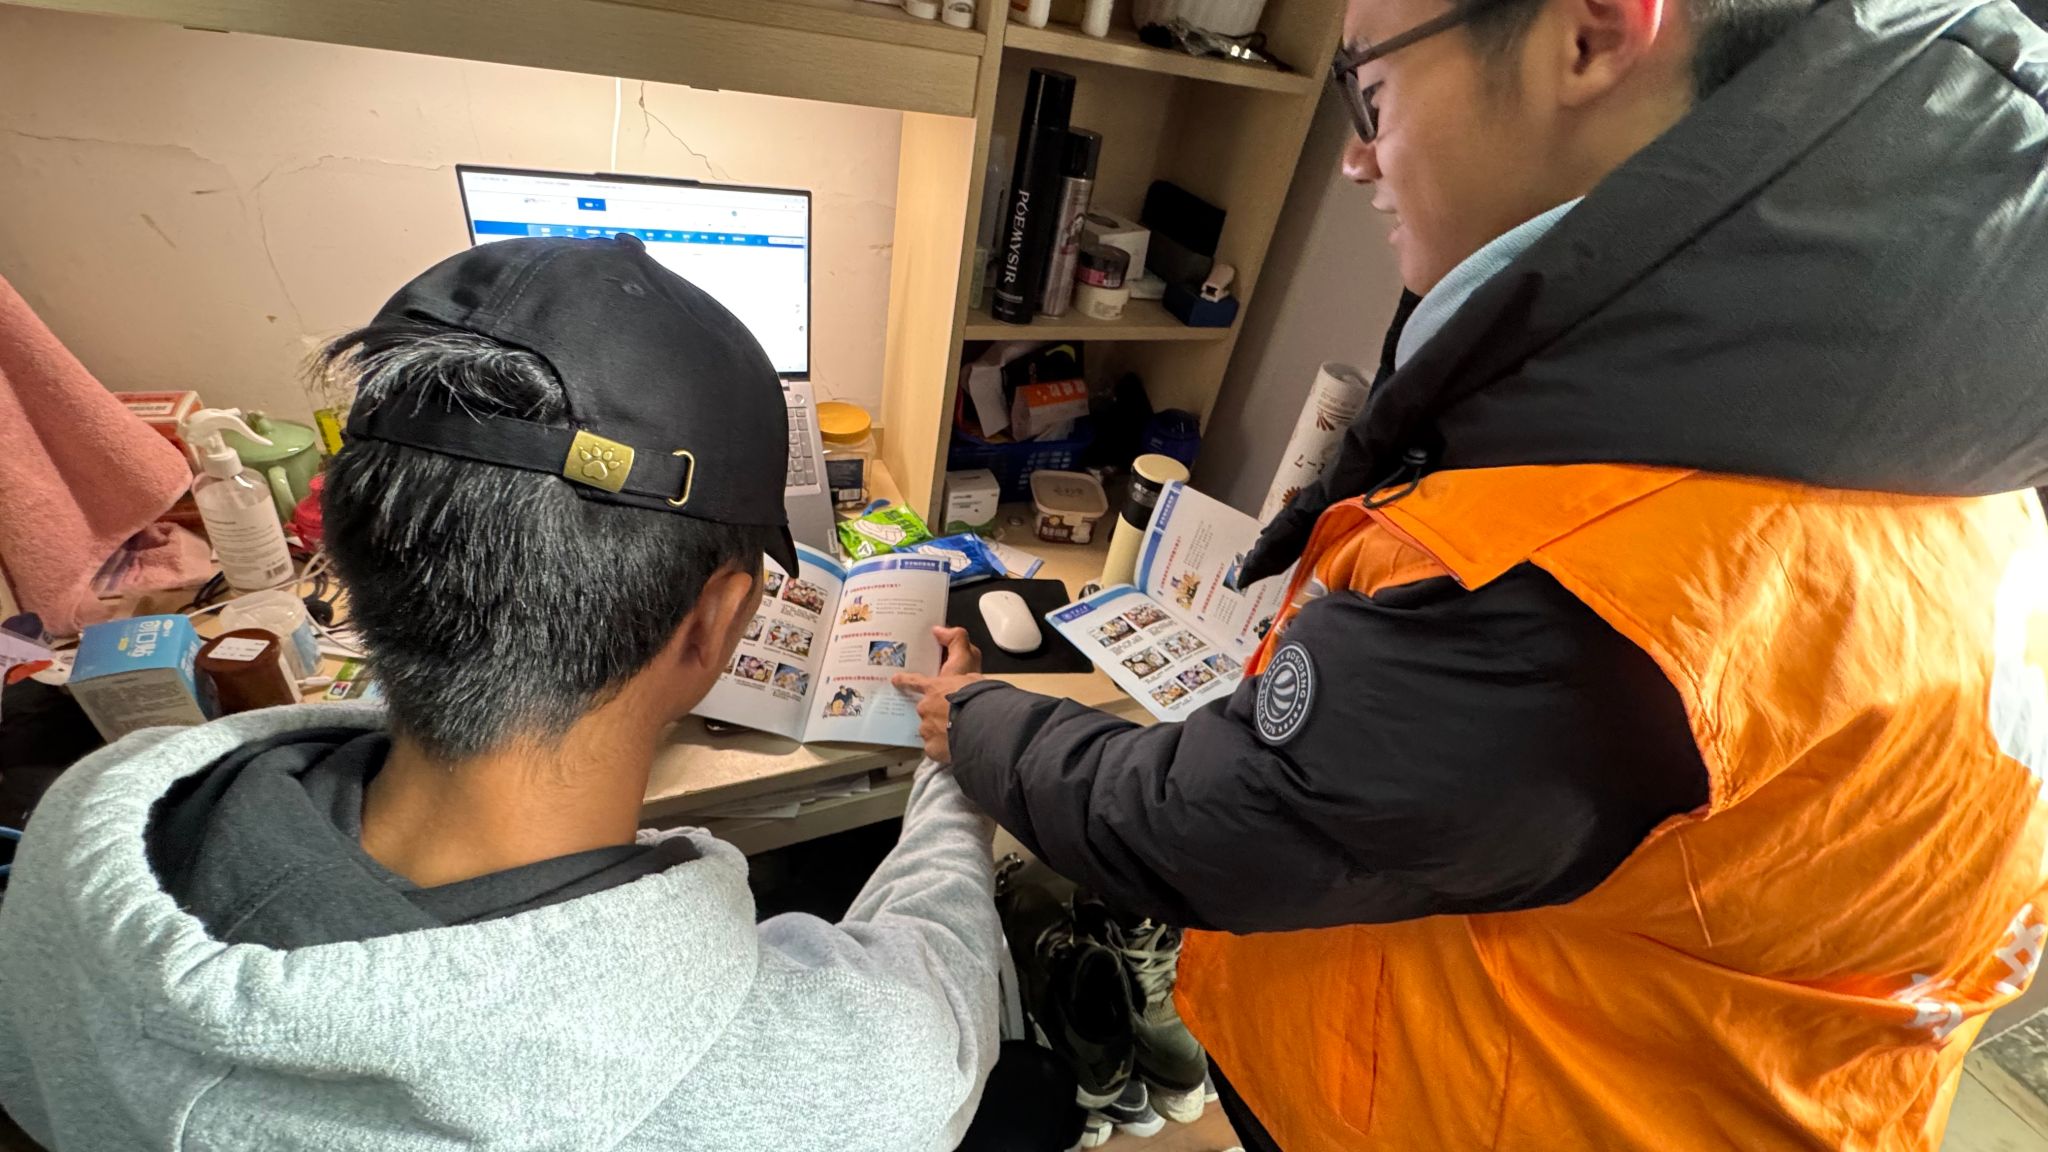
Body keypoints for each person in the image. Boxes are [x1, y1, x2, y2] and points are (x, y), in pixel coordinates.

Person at [897, 0, 2048, 1147]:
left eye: (1369, 90)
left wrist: (981, 720)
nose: (1353, 159)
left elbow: (1222, 824)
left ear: (1590, 35)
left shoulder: (1601, 575)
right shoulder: (1911, 407)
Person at [0, 236, 1016, 1150]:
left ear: (347, 552)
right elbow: (943, 966)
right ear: (715, 619)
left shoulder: (79, 837)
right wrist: (955, 759)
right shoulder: (850, 1083)